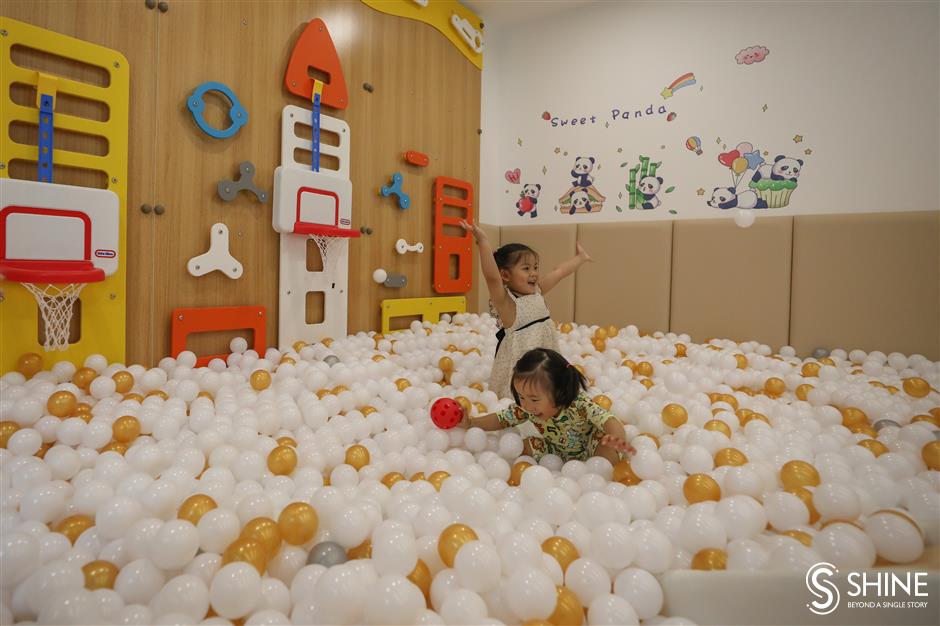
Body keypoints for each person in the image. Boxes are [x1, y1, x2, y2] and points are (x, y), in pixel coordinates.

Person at [460, 220, 592, 399]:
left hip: (544, 357)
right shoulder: (507, 304)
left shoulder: (538, 290)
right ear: (506, 275)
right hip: (524, 366)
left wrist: (580, 258)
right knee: (525, 394)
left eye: (536, 267)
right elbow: (491, 277)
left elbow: (558, 272)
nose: (534, 273)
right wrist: (483, 241)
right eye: (526, 268)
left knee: (549, 390)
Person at [461, 348, 635, 464]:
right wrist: (471, 423)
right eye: (521, 396)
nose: (527, 405)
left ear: (559, 393)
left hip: (590, 446)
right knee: (522, 446)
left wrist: (615, 437)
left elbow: (609, 420)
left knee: (606, 447)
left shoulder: (579, 405)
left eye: (534, 399)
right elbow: (501, 419)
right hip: (555, 450)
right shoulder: (526, 408)